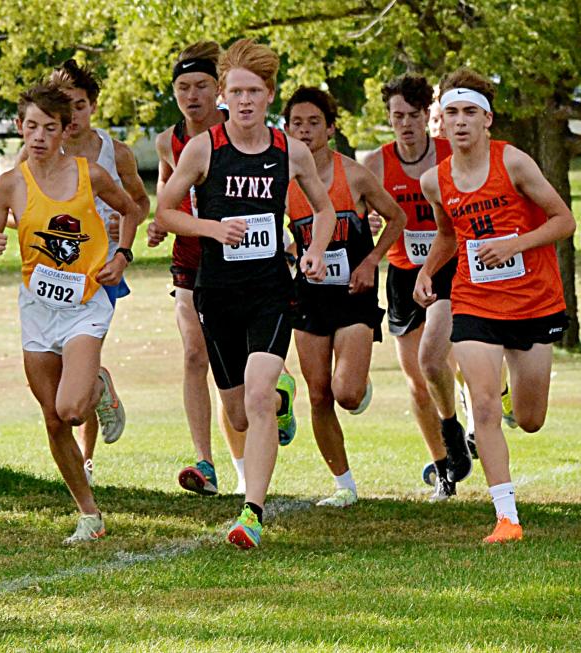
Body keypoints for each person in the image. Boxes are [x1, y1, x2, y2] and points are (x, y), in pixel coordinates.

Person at [156, 38, 336, 548]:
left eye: (254, 91)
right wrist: (213, 229)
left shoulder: (290, 151)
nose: (245, 100)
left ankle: (251, 513)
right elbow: (166, 213)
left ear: (268, 95)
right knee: (237, 412)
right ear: (224, 98)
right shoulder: (204, 148)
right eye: (236, 91)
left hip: (271, 292)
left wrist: (316, 251)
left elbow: (322, 211)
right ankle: (282, 395)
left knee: (255, 400)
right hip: (217, 294)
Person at [413, 68, 574, 543]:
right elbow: (448, 235)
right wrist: (426, 270)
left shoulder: (515, 163)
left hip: (534, 301)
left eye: (469, 112)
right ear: (440, 121)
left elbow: (563, 220)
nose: (459, 122)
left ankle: (507, 395)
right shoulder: (434, 181)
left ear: (487, 119)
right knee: (481, 406)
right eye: (451, 113)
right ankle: (507, 518)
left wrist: (515, 245)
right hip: (475, 301)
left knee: (529, 419)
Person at [0, 84, 143, 543]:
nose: (39, 136)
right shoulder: (8, 185)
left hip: (86, 303)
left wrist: (122, 255)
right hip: (37, 308)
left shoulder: (89, 174)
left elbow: (132, 210)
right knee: (53, 418)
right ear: (19, 128)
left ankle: (98, 387)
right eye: (31, 126)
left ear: (64, 130)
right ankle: (88, 515)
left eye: (50, 127)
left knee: (71, 408)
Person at [16, 59, 150, 486]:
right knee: (74, 371)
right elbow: (17, 203)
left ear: (91, 106)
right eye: (63, 108)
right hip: (51, 274)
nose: (70, 117)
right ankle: (95, 396)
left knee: (83, 354)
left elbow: (139, 204)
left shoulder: (115, 153)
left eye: (78, 105)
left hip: (102, 269)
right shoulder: (37, 148)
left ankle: (87, 455)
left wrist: (122, 236)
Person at [283, 87, 407, 507]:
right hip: (309, 298)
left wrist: (372, 260)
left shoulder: (353, 174)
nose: (304, 131)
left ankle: (358, 379)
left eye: (314, 122)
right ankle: (344, 485)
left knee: (346, 393)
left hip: (354, 295)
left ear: (330, 128)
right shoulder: (282, 180)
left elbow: (397, 217)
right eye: (296, 123)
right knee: (318, 393)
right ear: (285, 129)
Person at [148, 41, 256, 496]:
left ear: (219, 91)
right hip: (191, 261)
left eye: (201, 87)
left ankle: (247, 467)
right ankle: (204, 463)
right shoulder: (167, 140)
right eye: (182, 88)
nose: (192, 96)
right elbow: (166, 197)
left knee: (240, 369)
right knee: (195, 355)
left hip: (242, 262)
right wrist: (160, 226)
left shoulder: (240, 132)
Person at [363, 74, 472, 501]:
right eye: (397, 117)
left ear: (429, 116)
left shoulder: (450, 153)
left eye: (413, 116)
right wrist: (370, 222)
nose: (405, 124)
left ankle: (470, 418)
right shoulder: (376, 163)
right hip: (404, 274)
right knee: (416, 378)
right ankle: (444, 466)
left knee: (451, 358)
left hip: (452, 267)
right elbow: (360, 215)